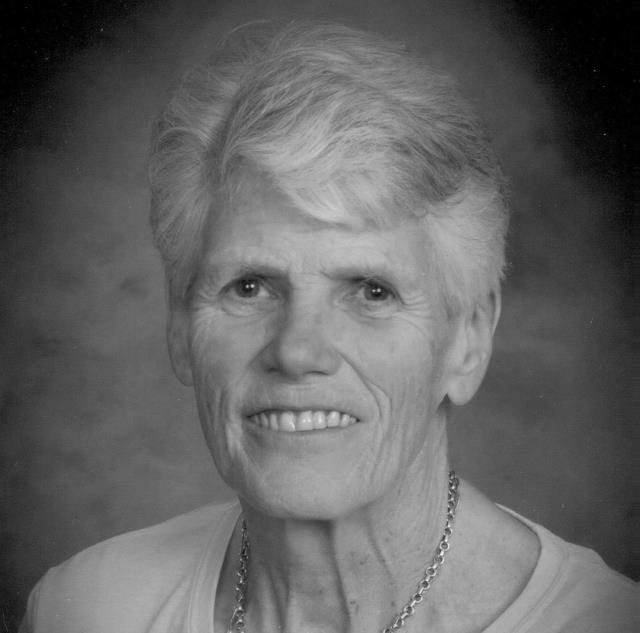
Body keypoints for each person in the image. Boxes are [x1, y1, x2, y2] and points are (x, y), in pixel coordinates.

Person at [20, 21, 636, 633]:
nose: (297, 350)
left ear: (469, 340)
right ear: (180, 326)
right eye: (250, 286)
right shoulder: (83, 609)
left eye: (371, 291)